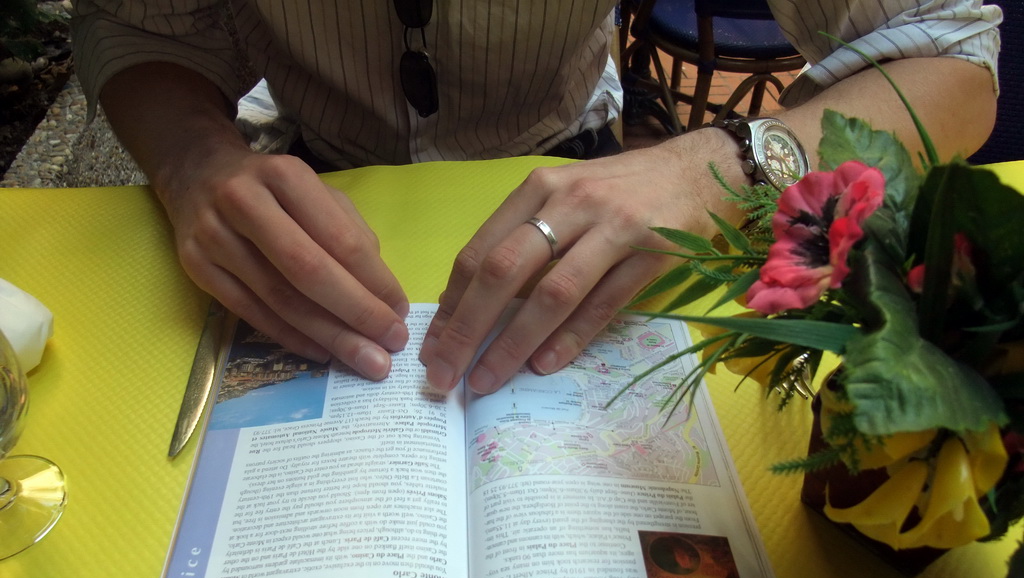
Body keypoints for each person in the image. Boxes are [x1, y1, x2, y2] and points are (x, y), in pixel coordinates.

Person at [70, 1, 1001, 392]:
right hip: (306, 182)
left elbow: (952, 61)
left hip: (587, 170)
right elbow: (143, 23)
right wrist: (194, 160)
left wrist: (724, 164)